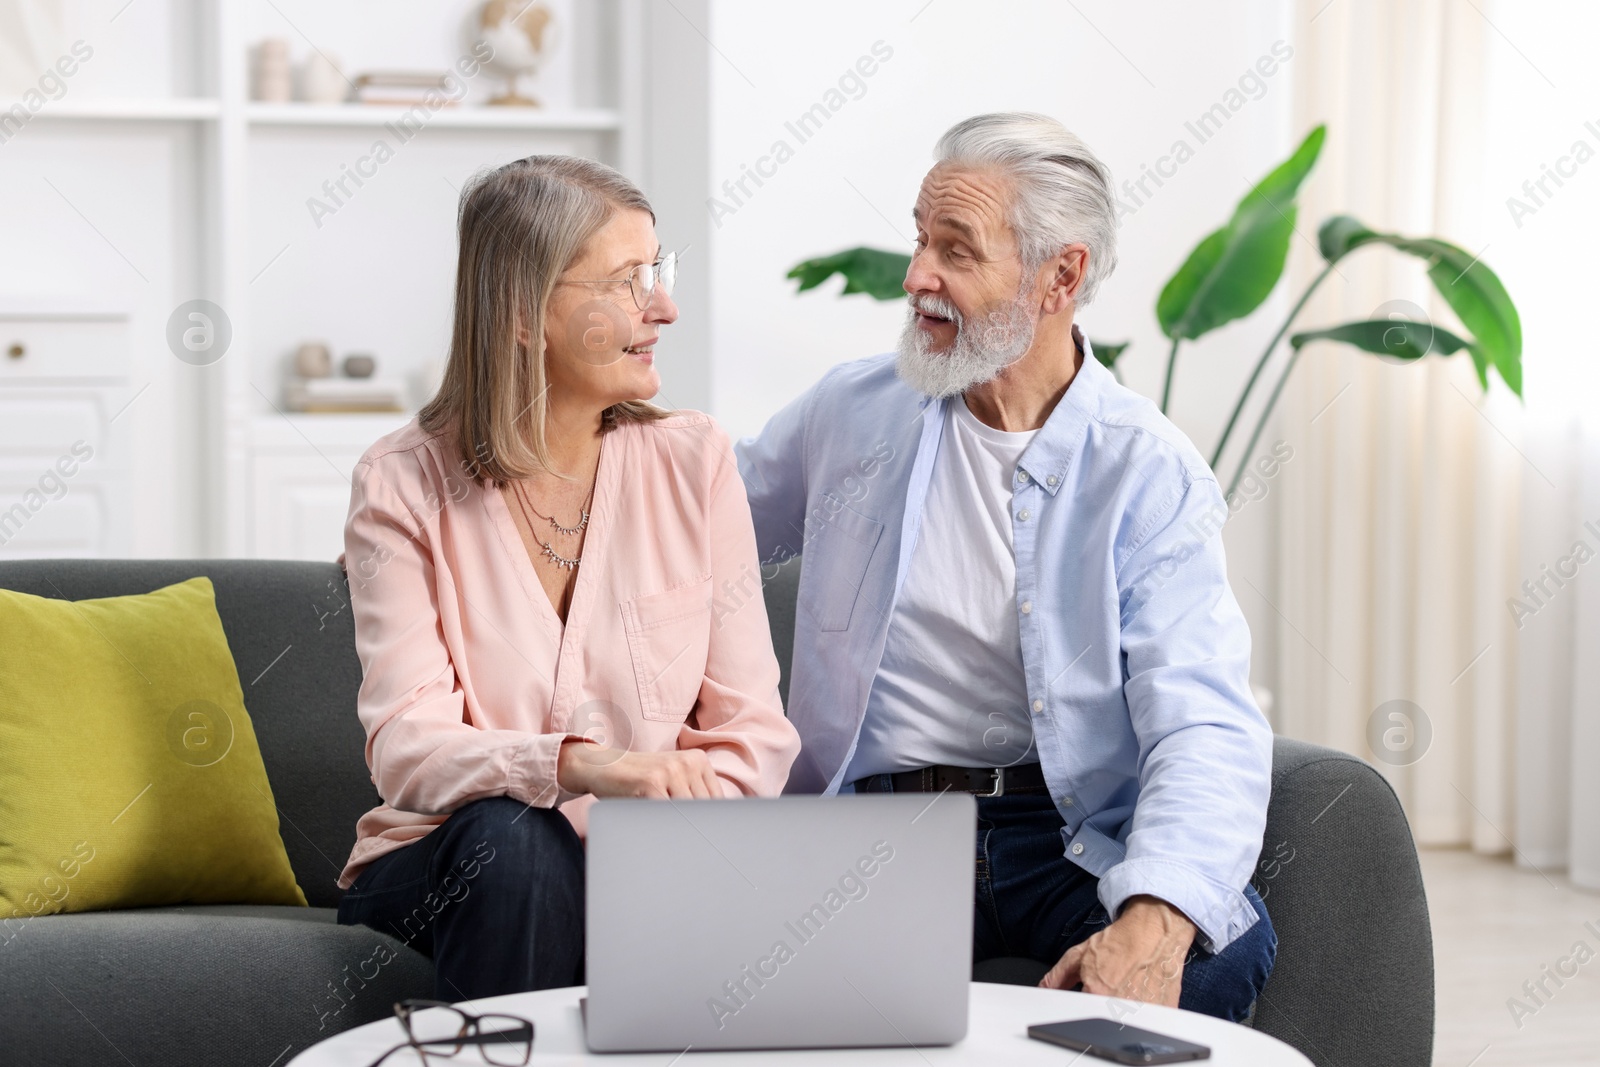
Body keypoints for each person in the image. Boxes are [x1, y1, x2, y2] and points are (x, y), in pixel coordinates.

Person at [737, 113, 1275, 1021]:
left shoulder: (1147, 471)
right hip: (870, 829)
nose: (916, 277)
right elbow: (693, 534)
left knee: (1218, 950)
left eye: (957, 249)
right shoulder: (852, 412)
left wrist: (1158, 912)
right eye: (919, 238)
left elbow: (1204, 721)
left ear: (1061, 275)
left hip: (1061, 839)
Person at [334, 155, 800, 1001]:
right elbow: (409, 748)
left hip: (645, 864)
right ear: (522, 314)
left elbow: (753, 735)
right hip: (445, 862)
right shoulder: (400, 483)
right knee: (517, 842)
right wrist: (587, 768)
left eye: (658, 273)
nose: (664, 307)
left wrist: (641, 847)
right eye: (628, 283)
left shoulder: (693, 463)